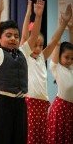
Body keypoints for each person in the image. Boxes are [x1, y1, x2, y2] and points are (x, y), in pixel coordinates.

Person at [0, 0, 44, 143]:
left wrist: (38, 16)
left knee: (19, 139)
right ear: (0, 39)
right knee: (2, 139)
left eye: (16, 36)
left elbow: (32, 38)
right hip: (3, 103)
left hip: (20, 104)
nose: (13, 38)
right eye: (8, 35)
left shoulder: (23, 52)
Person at [20, 0, 72, 143]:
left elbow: (54, 41)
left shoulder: (42, 58)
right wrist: (32, 13)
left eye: (40, 45)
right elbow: (25, 36)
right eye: (34, 44)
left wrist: (63, 23)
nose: (37, 48)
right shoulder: (25, 56)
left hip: (43, 105)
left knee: (42, 139)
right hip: (30, 103)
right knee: (30, 138)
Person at [47, 14, 73, 144]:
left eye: (71, 58)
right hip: (60, 109)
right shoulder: (56, 67)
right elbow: (56, 42)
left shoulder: (71, 68)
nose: (69, 60)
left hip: (70, 110)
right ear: (60, 56)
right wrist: (62, 25)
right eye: (66, 57)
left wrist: (71, 28)